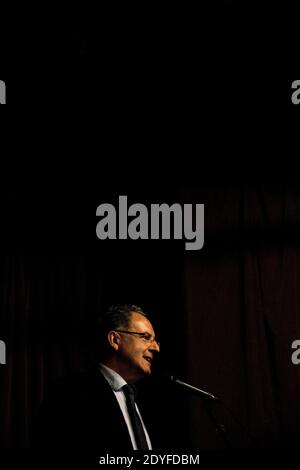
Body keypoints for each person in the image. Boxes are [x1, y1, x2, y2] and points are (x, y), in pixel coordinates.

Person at [33, 304, 163, 454]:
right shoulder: (70, 393)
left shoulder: (147, 401)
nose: (156, 348)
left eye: (155, 341)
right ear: (114, 339)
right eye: (146, 337)